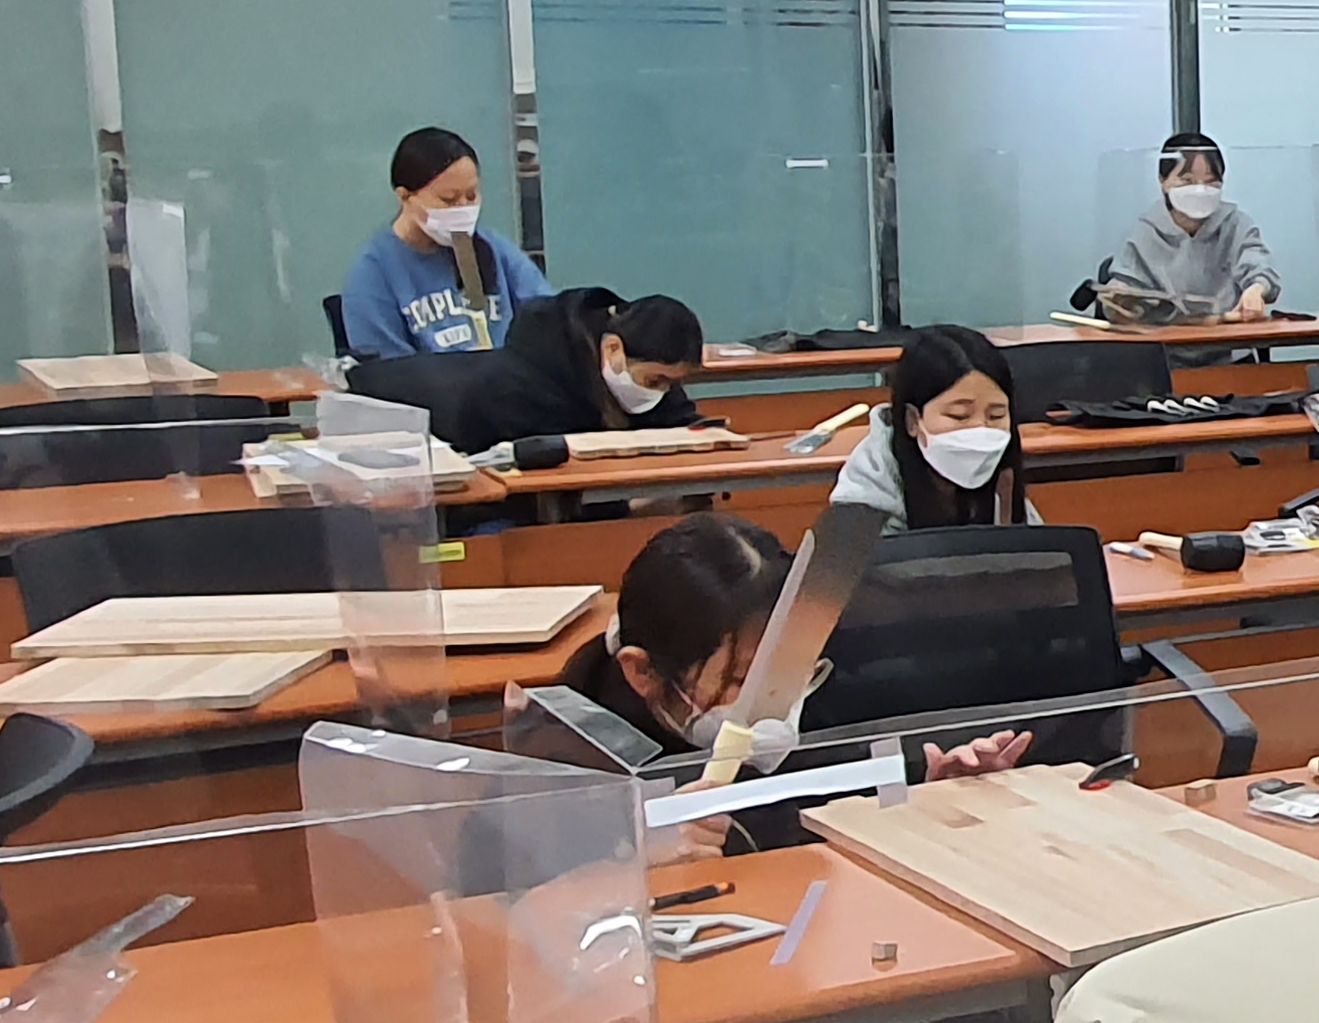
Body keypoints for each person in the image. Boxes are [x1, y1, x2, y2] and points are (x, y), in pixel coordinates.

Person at [561, 515, 1026, 852]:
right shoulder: (576, 776)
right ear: (643, 672)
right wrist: (635, 864)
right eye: (743, 679)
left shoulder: (829, 699)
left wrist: (928, 799)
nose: (778, 703)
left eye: (791, 669)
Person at [343, 126, 550, 358]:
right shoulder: (375, 272)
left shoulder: (492, 247)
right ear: (405, 196)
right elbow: (385, 369)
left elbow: (547, 315)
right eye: (448, 200)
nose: (463, 208)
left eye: (471, 195)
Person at [438, 287, 706, 454]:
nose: (662, 392)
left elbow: (680, 420)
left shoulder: (650, 356)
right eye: (655, 381)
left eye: (672, 385)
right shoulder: (523, 383)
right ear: (614, 349)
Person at [833, 325, 1044, 531]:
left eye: (996, 415)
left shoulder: (1005, 477)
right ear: (912, 420)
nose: (980, 428)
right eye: (959, 415)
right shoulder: (867, 489)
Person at [1094, 132, 1280, 325]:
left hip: (1230, 337)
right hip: (1166, 340)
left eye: (1210, 181)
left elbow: (1258, 263)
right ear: (1163, 181)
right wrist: (1121, 299)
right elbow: (1124, 294)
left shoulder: (1236, 224)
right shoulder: (1145, 234)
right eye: (1187, 180)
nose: (1200, 190)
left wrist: (1257, 288)